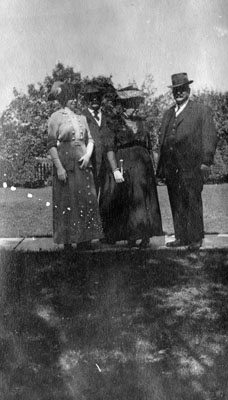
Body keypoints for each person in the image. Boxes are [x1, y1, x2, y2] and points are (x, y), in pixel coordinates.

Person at [156, 73, 218, 251]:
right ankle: (181, 237)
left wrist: (206, 161)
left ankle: (195, 238)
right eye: (176, 90)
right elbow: (162, 141)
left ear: (188, 90)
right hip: (172, 168)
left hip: (192, 166)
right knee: (177, 202)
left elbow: (209, 137)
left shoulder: (201, 110)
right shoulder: (168, 113)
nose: (179, 93)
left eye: (182, 89)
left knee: (192, 201)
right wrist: (161, 167)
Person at [99, 86, 163, 248]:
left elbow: (151, 146)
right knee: (127, 201)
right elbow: (109, 149)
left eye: (134, 104)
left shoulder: (142, 123)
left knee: (144, 199)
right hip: (124, 166)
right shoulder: (113, 123)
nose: (132, 108)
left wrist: (154, 166)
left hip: (143, 167)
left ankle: (145, 235)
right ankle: (131, 236)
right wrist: (114, 170)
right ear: (122, 105)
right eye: (128, 104)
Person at [47, 81, 103, 251]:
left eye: (75, 98)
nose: (74, 101)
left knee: (85, 200)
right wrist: (59, 168)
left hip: (83, 165)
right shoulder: (55, 117)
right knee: (67, 201)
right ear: (64, 99)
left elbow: (91, 140)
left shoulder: (82, 118)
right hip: (66, 164)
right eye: (70, 98)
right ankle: (67, 240)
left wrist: (87, 155)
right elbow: (50, 145)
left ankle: (84, 239)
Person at [82, 82, 123, 196]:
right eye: (91, 97)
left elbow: (112, 144)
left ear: (101, 98)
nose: (94, 99)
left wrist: (115, 169)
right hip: (89, 168)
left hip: (107, 170)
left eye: (97, 96)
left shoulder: (108, 118)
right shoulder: (81, 118)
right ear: (86, 99)